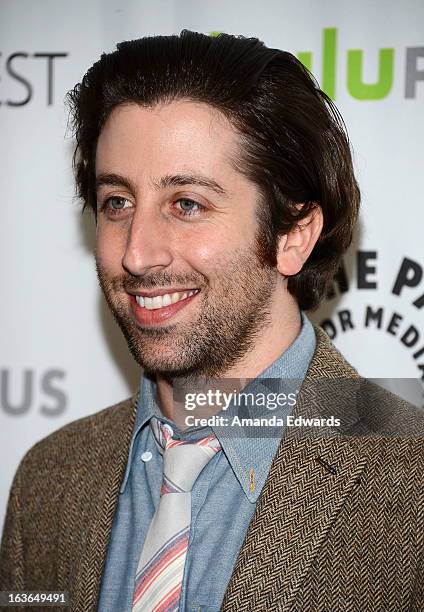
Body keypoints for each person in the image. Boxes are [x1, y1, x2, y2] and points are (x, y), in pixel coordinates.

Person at [1, 30, 423, 612]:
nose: (137, 254)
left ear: (292, 236)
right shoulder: (47, 482)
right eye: (117, 202)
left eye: (187, 204)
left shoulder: (409, 486)